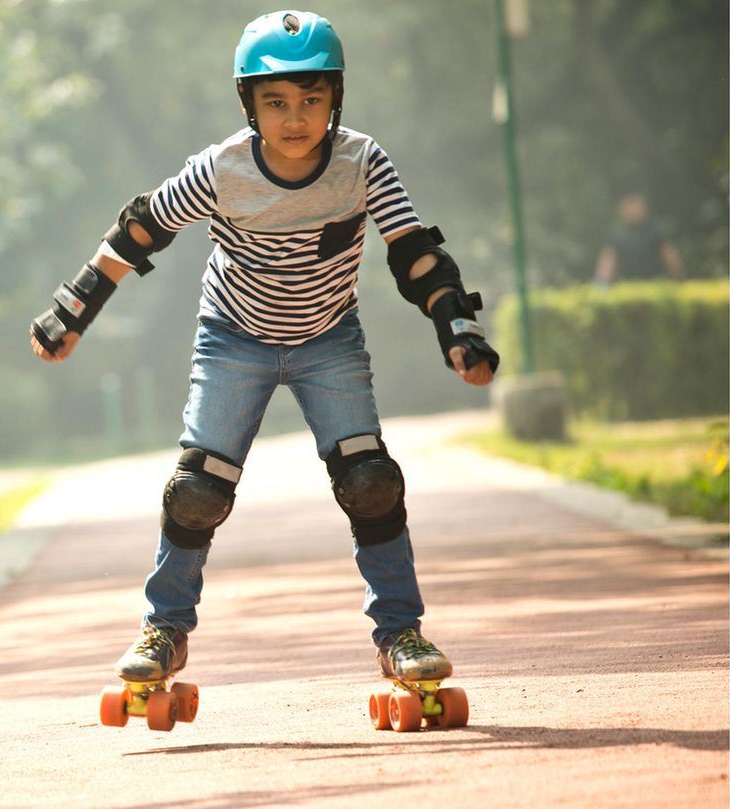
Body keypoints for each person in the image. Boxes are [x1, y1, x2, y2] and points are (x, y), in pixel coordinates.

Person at [28, 10, 499, 689]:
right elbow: (137, 233)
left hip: (327, 337)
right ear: (248, 103)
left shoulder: (362, 162)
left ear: (336, 97)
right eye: (276, 101)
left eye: (312, 99)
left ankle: (400, 631)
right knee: (198, 490)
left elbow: (415, 253)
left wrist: (457, 329)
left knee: (370, 481)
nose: (296, 118)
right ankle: (164, 629)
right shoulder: (219, 171)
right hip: (233, 337)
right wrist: (71, 312)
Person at [594, 193, 683, 286]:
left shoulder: (656, 230)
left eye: (635, 207)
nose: (632, 212)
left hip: (656, 284)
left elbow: (670, 258)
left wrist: (678, 285)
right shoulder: (617, 235)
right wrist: (601, 287)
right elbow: (607, 263)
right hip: (627, 286)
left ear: (643, 209)